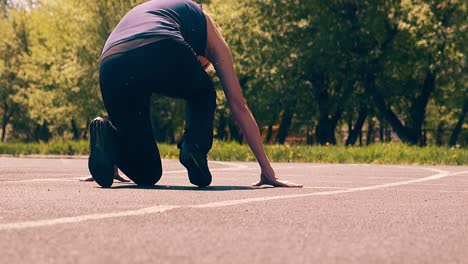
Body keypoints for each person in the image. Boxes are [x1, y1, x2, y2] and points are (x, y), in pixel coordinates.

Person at [86, 0, 302, 188]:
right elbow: (238, 104)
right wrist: (267, 170)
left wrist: (115, 155)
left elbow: (134, 61)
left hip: (110, 60)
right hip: (158, 42)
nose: (203, 66)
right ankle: (194, 149)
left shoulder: (166, 12)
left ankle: (109, 140)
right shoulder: (212, 34)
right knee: (204, 92)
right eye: (205, 65)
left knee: (147, 173)